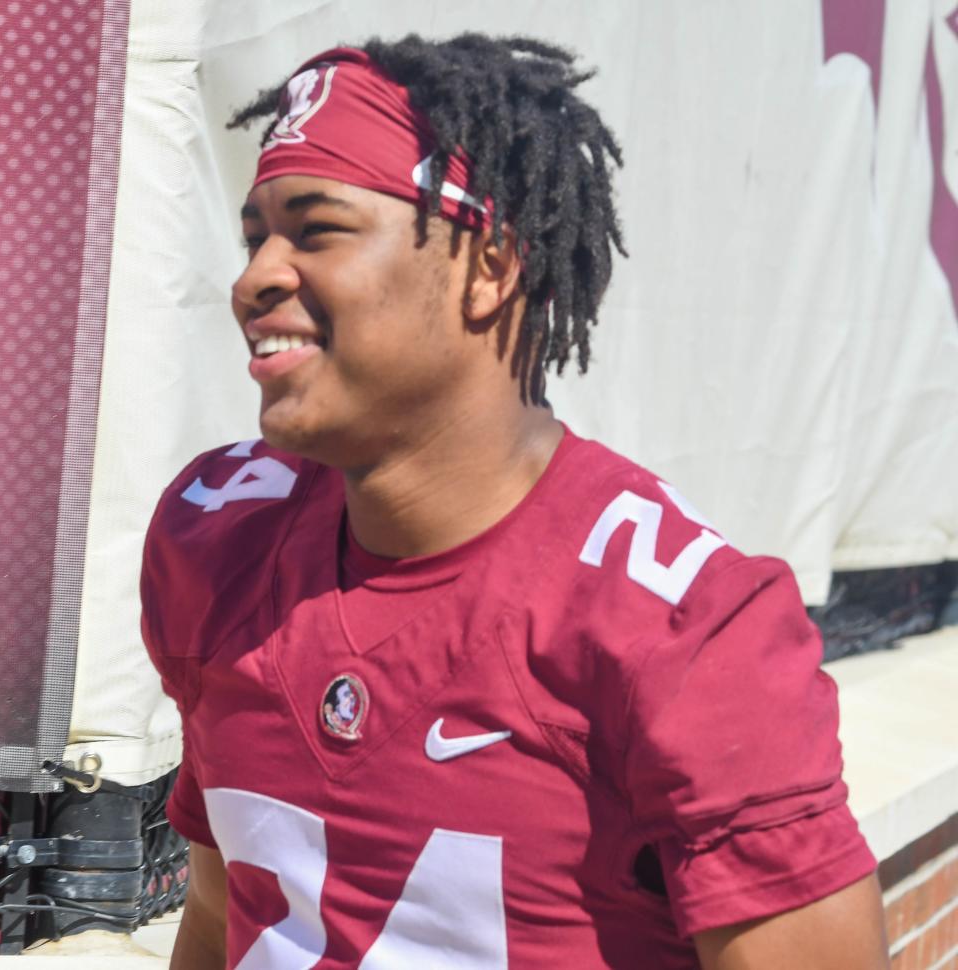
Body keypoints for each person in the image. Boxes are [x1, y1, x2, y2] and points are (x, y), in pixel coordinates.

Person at [141, 34, 891, 970]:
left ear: (490, 265)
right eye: (255, 236)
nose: (254, 278)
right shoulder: (215, 533)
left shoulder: (688, 628)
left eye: (317, 228)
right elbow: (223, 914)